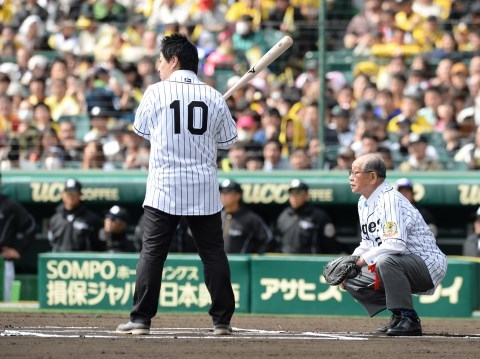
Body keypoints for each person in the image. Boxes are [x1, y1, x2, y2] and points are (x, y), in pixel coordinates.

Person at [116, 34, 237, 336]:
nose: (158, 67)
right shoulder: (213, 96)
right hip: (203, 187)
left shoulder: (155, 93)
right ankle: (222, 321)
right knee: (213, 254)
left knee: (152, 254)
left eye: (160, 60)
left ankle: (141, 319)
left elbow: (142, 130)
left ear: (174, 60)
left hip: (164, 187)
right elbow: (228, 141)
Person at [343, 153, 447, 336]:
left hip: (426, 263)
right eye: (350, 172)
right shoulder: (363, 202)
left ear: (373, 176)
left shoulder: (390, 198)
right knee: (351, 277)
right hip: (400, 262)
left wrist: (361, 261)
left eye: (356, 172)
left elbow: (395, 245)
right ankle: (398, 314)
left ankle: (409, 318)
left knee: (385, 260)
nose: (351, 177)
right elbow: (368, 242)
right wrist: (351, 261)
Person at [275, 179, 341, 254]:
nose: (294, 197)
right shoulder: (284, 215)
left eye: (297, 193)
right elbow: (278, 241)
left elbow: (330, 245)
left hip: (309, 263)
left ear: (306, 195)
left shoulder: (319, 216)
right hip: (286, 262)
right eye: (291, 193)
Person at [0, 176, 36, 301]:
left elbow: (30, 226)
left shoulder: (8, 205)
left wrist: (18, 250)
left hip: (2, 261)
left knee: (4, 304)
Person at [48, 178, 105, 252]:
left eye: (74, 192)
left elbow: (100, 245)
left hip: (82, 261)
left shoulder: (92, 219)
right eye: (68, 192)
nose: (71, 195)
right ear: (63, 194)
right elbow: (52, 242)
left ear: (80, 194)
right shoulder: (55, 219)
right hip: (60, 261)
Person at [219, 179, 273, 254]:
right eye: (221, 192)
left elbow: (267, 239)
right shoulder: (218, 217)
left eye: (227, 192)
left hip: (240, 264)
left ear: (237, 196)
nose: (223, 195)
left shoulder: (250, 219)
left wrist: (253, 258)